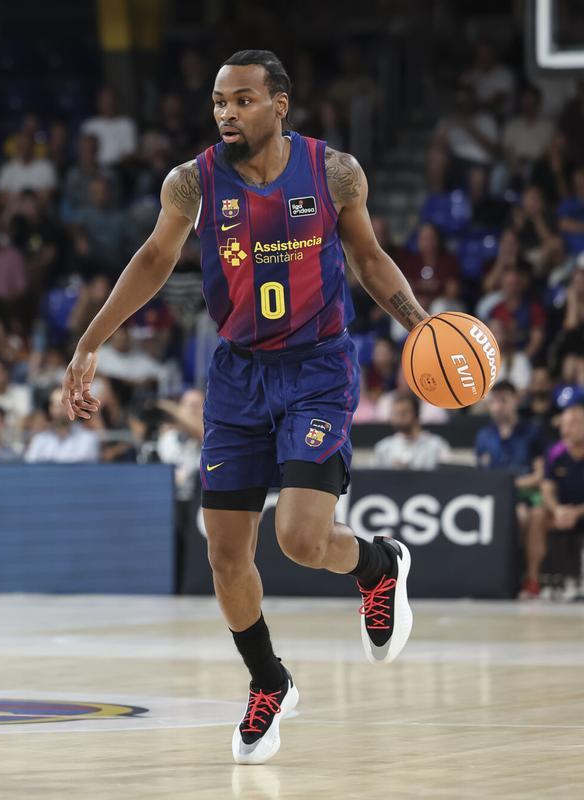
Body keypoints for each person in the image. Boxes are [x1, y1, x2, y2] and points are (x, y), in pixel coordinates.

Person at [62, 51, 427, 765]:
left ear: (281, 103)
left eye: (244, 100)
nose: (227, 112)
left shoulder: (334, 172)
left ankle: (378, 568)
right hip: (236, 377)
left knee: (298, 538)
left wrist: (421, 322)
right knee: (225, 556)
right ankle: (269, 680)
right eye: (219, 102)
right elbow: (151, 261)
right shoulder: (192, 182)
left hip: (317, 369)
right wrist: (89, 343)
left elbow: (370, 259)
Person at [474, 381, 546, 598]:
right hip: (493, 498)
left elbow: (540, 475)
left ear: (516, 400)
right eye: (494, 401)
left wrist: (513, 486)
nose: (498, 406)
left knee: (530, 515)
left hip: (525, 494)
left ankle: (531, 579)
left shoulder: (532, 431)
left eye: (504, 400)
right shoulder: (484, 436)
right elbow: (479, 474)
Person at [538, 403, 584, 602]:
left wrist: (577, 512)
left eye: (573, 424)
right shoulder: (555, 452)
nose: (565, 430)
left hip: (580, 510)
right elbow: (546, 488)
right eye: (563, 424)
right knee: (537, 516)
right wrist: (557, 510)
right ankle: (538, 580)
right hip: (562, 511)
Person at [373, 393, 451, 469]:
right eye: (395, 413)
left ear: (416, 414)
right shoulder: (383, 448)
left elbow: (449, 475)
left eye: (404, 412)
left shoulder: (436, 445)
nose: (399, 418)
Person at [26, 389, 100, 463]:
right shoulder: (39, 440)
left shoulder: (88, 438)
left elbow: (87, 469)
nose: (59, 411)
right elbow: (30, 467)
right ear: (50, 409)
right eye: (55, 406)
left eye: (64, 405)